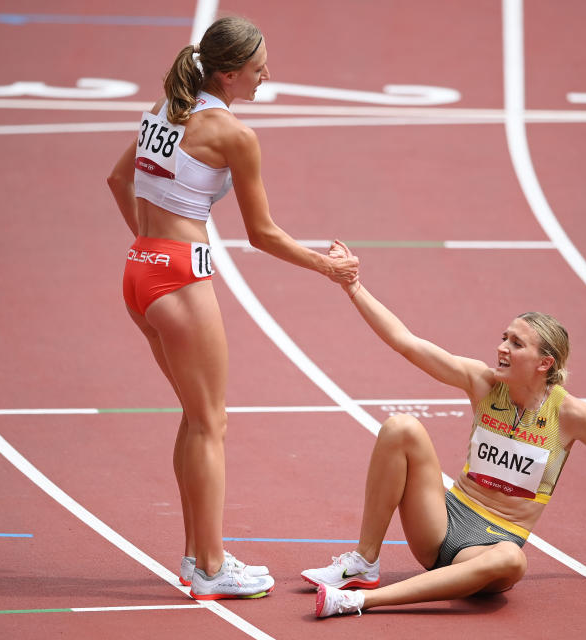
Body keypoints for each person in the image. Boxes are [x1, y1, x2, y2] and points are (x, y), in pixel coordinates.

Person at [107, 17, 358, 601]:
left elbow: (118, 180)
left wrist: (151, 249)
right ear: (228, 72)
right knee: (211, 424)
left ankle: (198, 558)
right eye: (258, 68)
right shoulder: (233, 134)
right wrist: (329, 266)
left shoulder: (165, 109)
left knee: (196, 419)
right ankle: (212, 567)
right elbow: (262, 234)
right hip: (178, 282)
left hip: (139, 273)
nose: (267, 75)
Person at [303, 241, 586, 617]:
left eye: (516, 343)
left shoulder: (572, 415)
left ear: (545, 363)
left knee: (514, 561)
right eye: (504, 338)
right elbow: (406, 343)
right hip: (443, 521)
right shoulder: (484, 383)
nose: (502, 348)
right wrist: (354, 287)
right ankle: (364, 562)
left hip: (490, 548)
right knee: (401, 427)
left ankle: (357, 601)